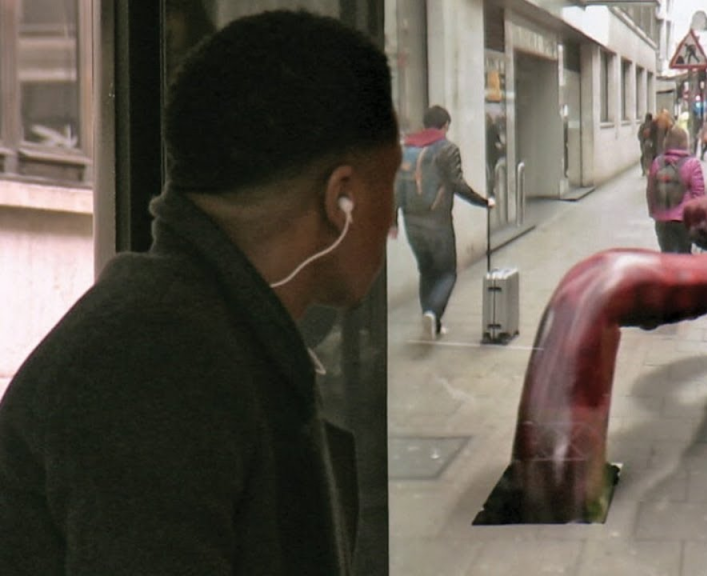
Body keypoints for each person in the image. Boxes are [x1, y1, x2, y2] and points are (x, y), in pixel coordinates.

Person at [0, 11, 398, 575]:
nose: (393, 225)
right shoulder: (151, 367)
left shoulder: (199, 332)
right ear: (342, 199)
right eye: (393, 186)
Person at [394, 105, 494, 340]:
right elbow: (457, 184)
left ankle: (432, 322)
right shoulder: (447, 149)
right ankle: (432, 313)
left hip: (411, 221)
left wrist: (392, 222)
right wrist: (484, 202)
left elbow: (397, 189)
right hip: (437, 222)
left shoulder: (407, 149)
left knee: (426, 271)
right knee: (447, 272)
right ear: (445, 126)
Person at [646, 126, 705, 255]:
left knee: (667, 257)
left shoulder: (657, 162)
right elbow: (699, 194)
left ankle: (668, 275)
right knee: (684, 255)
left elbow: (650, 189)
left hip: (662, 220)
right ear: (685, 142)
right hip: (684, 220)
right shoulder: (692, 163)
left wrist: (653, 211)